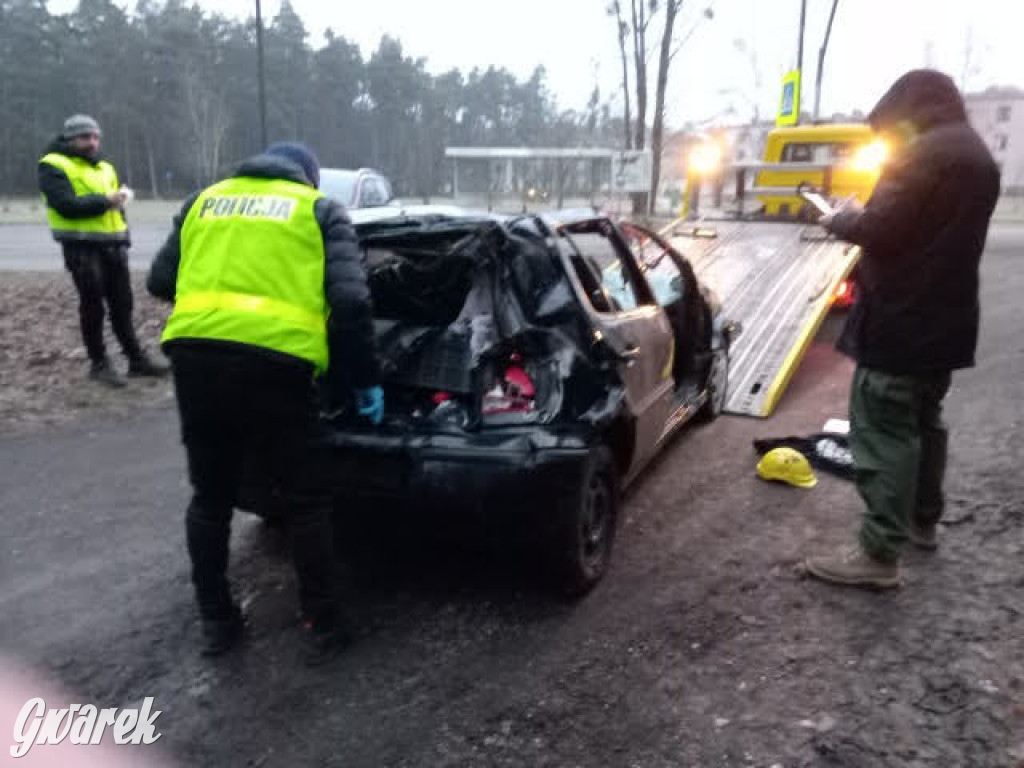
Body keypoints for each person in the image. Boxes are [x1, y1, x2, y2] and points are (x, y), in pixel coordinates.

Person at [147, 142, 383, 660]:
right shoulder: (318, 210)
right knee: (305, 501)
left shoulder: (203, 202)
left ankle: (217, 623)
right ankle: (323, 625)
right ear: (308, 177)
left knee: (209, 498)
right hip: (279, 368)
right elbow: (350, 301)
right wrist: (363, 378)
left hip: (197, 359)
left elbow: (160, 280)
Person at [805, 70, 1000, 588]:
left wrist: (840, 220)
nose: (889, 141)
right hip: (948, 322)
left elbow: (882, 229)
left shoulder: (919, 155)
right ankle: (921, 522)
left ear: (908, 112)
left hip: (902, 320)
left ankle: (878, 554)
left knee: (884, 426)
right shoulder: (977, 154)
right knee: (925, 421)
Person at [38, 114, 168, 387]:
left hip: (113, 245)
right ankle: (99, 364)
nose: (92, 142)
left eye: (96, 137)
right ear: (70, 138)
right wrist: (106, 201)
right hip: (81, 247)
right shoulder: (52, 165)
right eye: (85, 137)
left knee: (123, 305)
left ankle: (136, 360)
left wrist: (124, 237)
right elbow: (65, 205)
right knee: (93, 306)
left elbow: (116, 210)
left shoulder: (106, 168)